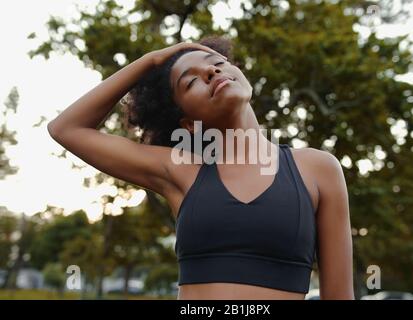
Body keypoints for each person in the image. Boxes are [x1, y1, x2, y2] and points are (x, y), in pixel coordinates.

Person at [47, 35, 354, 300]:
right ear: (189, 125)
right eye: (191, 81)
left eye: (217, 63)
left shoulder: (318, 169)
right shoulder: (181, 172)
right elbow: (67, 129)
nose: (210, 71)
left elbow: (340, 296)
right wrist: (152, 60)